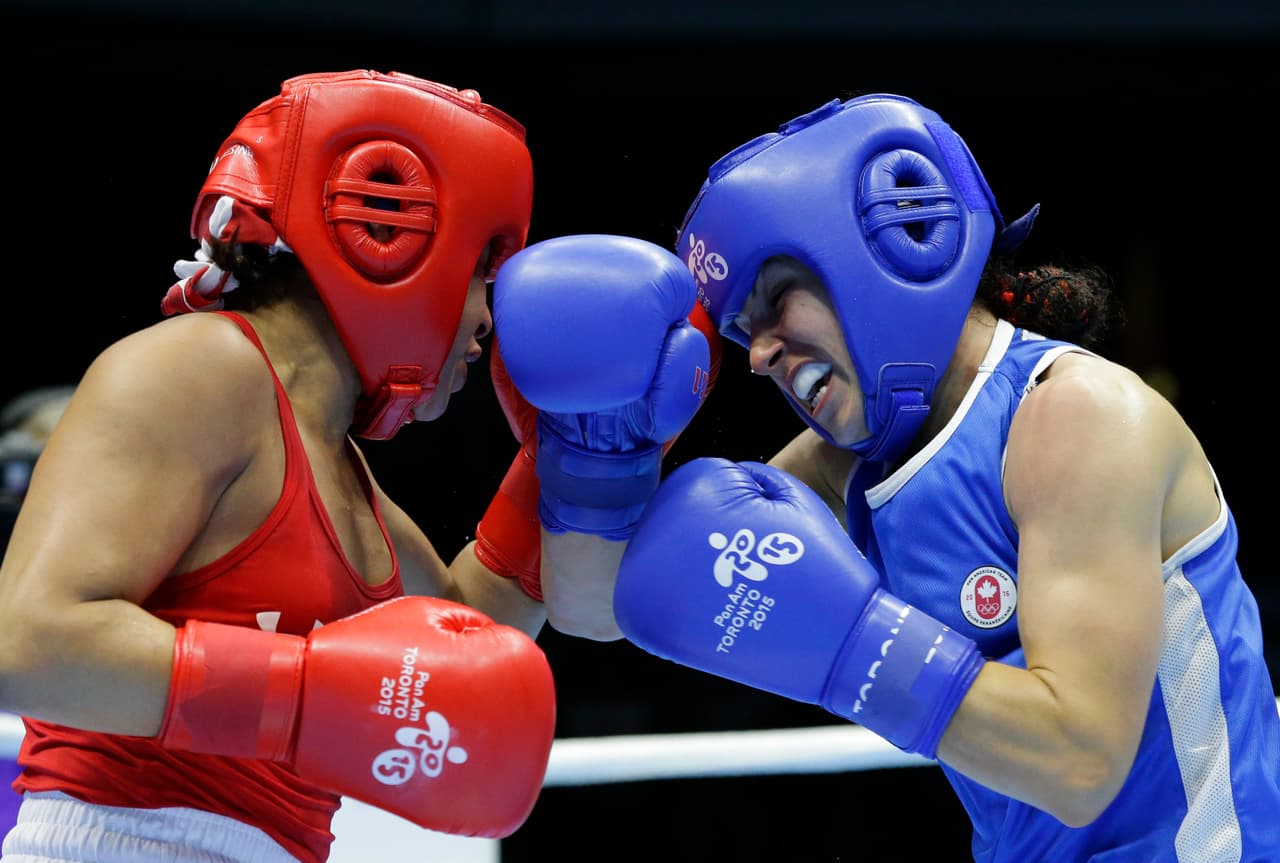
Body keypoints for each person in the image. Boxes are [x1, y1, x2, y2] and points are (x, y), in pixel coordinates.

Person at [0, 69, 715, 863]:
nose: (489, 317)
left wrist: (574, 455)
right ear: (390, 239)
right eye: (482, 269)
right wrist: (298, 696)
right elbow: (23, 640)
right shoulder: (200, 369)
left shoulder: (335, 463)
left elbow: (465, 646)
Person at [595, 94, 1280, 860]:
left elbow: (1078, 760)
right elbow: (625, 592)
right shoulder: (857, 464)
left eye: (776, 299)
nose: (757, 355)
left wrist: (853, 646)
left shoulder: (1079, 416)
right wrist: (586, 456)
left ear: (894, 248)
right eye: (742, 331)